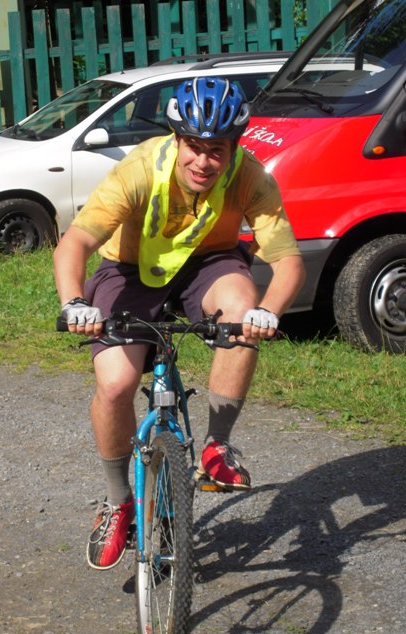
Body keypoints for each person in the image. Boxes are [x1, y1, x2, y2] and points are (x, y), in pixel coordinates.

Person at [54, 76, 306, 571]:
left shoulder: (251, 177)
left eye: (216, 150)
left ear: (233, 148)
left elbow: (288, 261)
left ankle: (217, 447)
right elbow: (75, 243)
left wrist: (268, 312)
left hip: (209, 264)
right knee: (116, 383)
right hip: (130, 268)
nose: (203, 161)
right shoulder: (139, 169)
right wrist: (74, 302)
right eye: (194, 146)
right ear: (176, 139)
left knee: (241, 309)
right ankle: (118, 501)